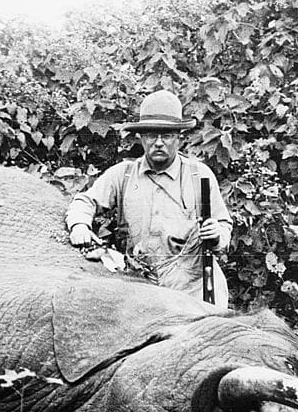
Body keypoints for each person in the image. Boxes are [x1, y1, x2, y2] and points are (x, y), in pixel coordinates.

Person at [65, 90, 232, 307]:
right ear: (142, 138)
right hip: (142, 290)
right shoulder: (123, 174)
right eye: (152, 135)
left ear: (179, 139)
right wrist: (79, 225)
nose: (159, 143)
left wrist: (217, 234)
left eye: (167, 135)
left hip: (194, 288)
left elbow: (224, 225)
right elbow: (85, 201)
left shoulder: (199, 175)